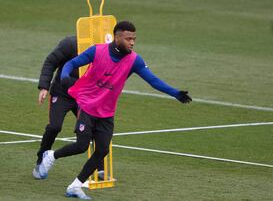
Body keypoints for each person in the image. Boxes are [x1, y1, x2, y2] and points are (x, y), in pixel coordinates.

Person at [38, 21, 192, 199]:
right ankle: (51, 156)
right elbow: (70, 64)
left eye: (134, 39)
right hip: (87, 106)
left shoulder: (134, 60)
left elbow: (153, 80)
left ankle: (75, 186)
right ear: (117, 37)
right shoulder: (97, 51)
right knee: (81, 146)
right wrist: (64, 77)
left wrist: (176, 93)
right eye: (128, 39)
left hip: (107, 113)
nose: (132, 42)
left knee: (102, 150)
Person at [32, 36, 104, 179]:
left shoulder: (102, 48)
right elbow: (50, 62)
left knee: (94, 128)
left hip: (84, 96)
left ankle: (99, 167)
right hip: (62, 93)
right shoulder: (70, 44)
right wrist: (44, 87)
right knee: (54, 127)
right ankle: (41, 159)